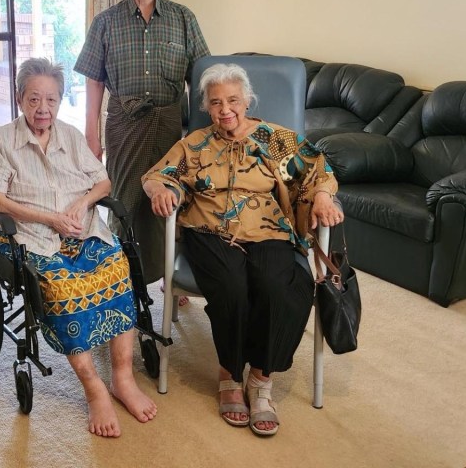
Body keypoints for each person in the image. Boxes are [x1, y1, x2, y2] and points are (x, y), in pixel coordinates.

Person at [140, 63, 343, 437]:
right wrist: (161, 191)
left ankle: (261, 378)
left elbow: (317, 173)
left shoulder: (272, 140)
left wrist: (323, 198)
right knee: (231, 287)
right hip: (209, 231)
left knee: (281, 287)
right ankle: (230, 374)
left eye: (233, 100)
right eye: (216, 102)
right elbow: (158, 175)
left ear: (247, 100)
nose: (225, 110)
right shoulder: (196, 144)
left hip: (267, 230)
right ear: (206, 106)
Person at [0, 58, 157, 438]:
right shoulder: (1, 139)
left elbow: (103, 183)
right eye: (34, 99)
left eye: (51, 100)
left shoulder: (71, 136)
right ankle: (94, 389)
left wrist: (83, 202)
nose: (43, 108)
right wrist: (50, 218)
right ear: (19, 99)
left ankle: (122, 378)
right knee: (65, 288)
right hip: (30, 236)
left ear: (59, 101)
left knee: (117, 268)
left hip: (81, 230)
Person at [74, 0, 210, 297]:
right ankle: (125, 280)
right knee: (126, 201)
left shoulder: (183, 18)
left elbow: (201, 79)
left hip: (169, 125)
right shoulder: (105, 21)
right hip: (123, 124)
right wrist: (91, 135)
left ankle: (170, 275)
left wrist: (203, 138)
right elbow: (94, 81)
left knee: (170, 199)